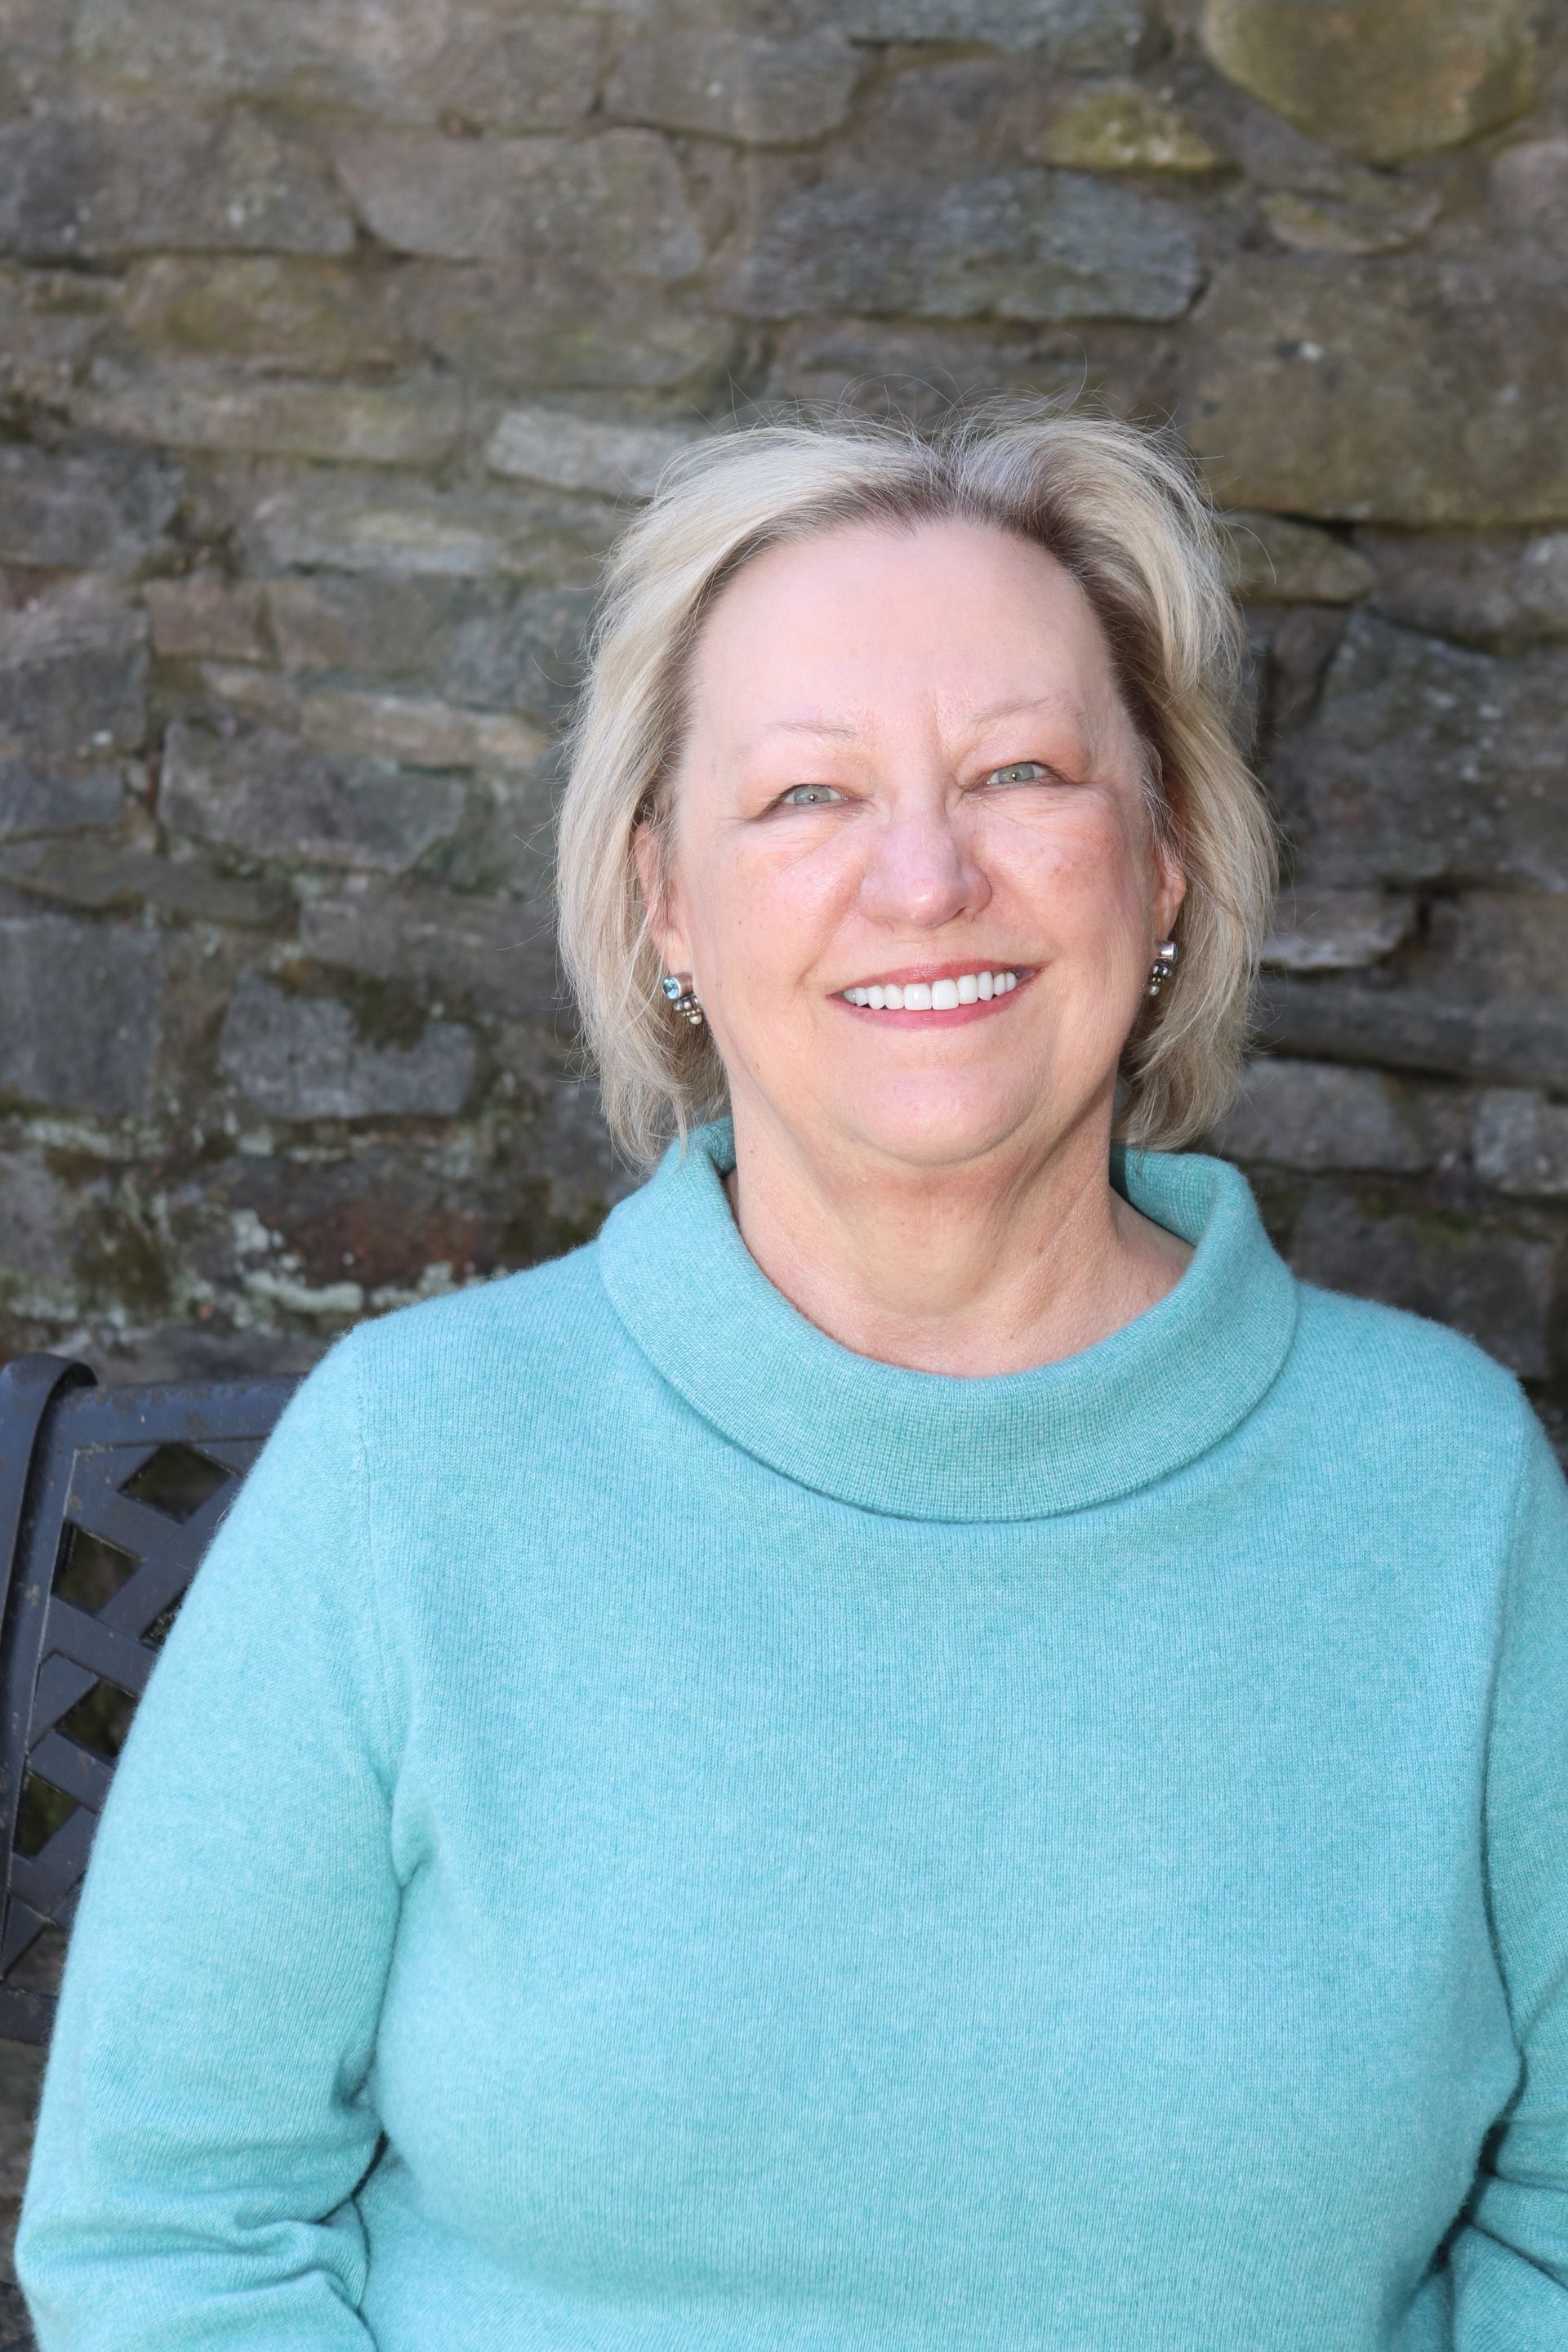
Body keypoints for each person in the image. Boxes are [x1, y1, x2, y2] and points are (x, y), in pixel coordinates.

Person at [16, 403, 1568, 2351]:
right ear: (666, 899)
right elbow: (171, 2231)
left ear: (1167, 859)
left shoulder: (1445, 1495)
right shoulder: (413, 1467)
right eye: (809, 795)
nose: (926, 877)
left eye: (1020, 772)